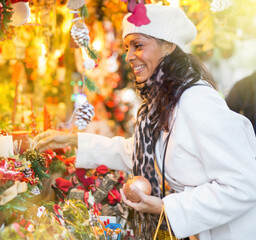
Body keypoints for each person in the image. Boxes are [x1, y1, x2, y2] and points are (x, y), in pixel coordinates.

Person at [35, 4, 256, 240]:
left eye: (138, 45)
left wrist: (167, 207)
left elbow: (244, 184)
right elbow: (138, 151)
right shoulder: (164, 101)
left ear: (169, 46)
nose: (129, 56)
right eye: (127, 47)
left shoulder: (197, 101)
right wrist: (73, 140)